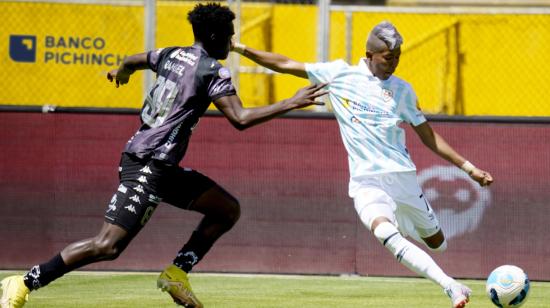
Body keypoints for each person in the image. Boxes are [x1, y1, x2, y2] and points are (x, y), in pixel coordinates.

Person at [0, 3, 327, 308]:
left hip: (160, 165)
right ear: (215, 37)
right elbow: (240, 119)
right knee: (107, 246)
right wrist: (290, 102)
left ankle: (176, 274)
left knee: (226, 210)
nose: (232, 40)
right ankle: (25, 281)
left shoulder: (170, 54)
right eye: (229, 34)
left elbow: (132, 59)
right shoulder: (213, 71)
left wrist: (121, 72)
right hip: (147, 164)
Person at [231, 21, 493, 308]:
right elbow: (284, 63)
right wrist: (239, 47)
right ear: (369, 54)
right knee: (384, 232)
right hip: (366, 182)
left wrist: (469, 168)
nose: (394, 63)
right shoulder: (340, 74)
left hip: (402, 178)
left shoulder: (403, 90)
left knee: (438, 244)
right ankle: (452, 287)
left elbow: (428, 137)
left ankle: (403, 222)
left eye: (398, 58)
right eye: (388, 57)